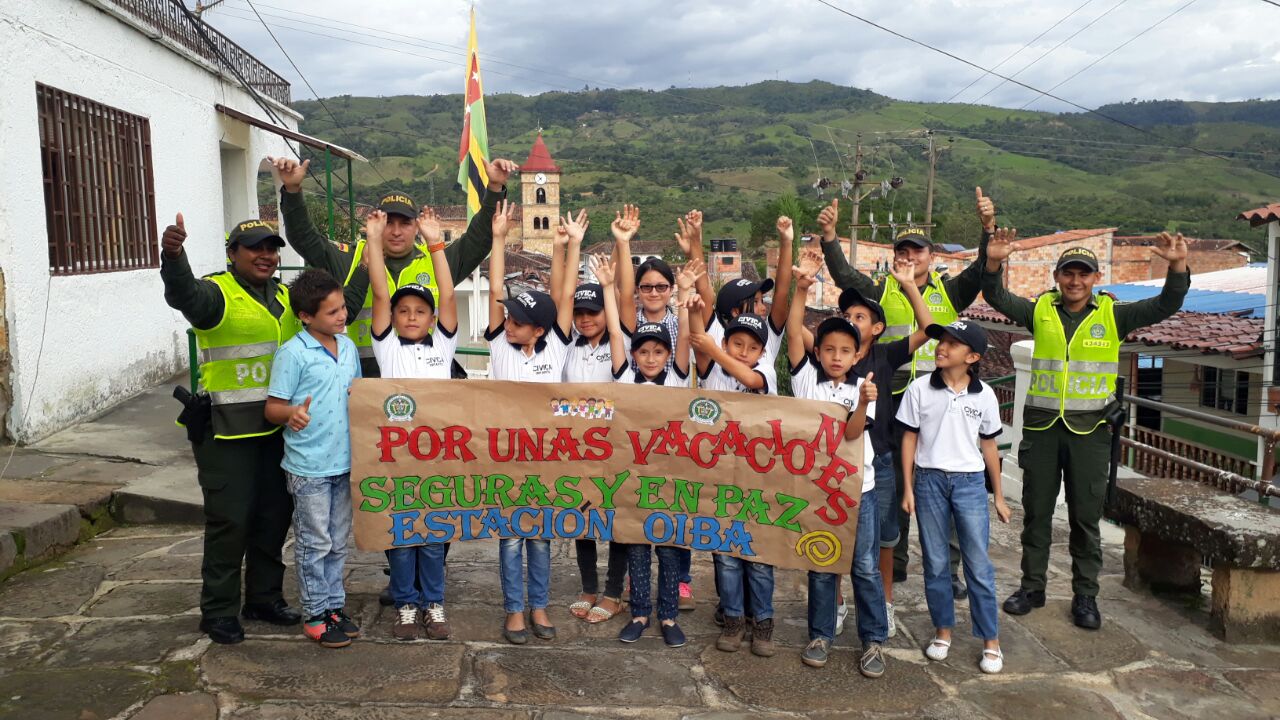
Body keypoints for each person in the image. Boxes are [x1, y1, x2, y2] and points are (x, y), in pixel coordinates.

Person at [982, 229, 1189, 629]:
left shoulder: (1114, 315)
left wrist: (1177, 267)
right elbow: (996, 297)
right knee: (1037, 514)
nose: (1075, 281)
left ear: (1095, 279)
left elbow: (1166, 304)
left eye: (1083, 274)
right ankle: (1032, 587)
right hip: (1043, 430)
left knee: (1085, 519)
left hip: (1091, 434)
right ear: (1057, 277)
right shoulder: (1039, 311)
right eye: (1068, 273)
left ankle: (1086, 597)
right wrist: (993, 263)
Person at [819, 190, 995, 594]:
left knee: (948, 475)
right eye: (904, 250)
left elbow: (983, 270)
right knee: (896, 484)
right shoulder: (881, 291)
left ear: (931, 257)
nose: (911, 257)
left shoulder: (950, 292)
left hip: (943, 397)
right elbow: (846, 277)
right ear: (896, 255)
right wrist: (830, 236)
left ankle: (950, 568)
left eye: (918, 251)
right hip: (894, 399)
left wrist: (988, 230)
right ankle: (893, 564)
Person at [160, 216, 303, 645]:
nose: (266, 256)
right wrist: (173, 257)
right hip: (227, 433)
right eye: (255, 247)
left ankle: (263, 597)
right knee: (230, 521)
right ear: (232, 253)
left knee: (274, 518)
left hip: (277, 431)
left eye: (272, 248)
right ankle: (218, 610)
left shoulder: (285, 297)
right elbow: (186, 296)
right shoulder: (217, 293)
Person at [794, 247, 938, 643]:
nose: (851, 321)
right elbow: (795, 332)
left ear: (875, 329)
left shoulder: (885, 355)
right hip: (831, 473)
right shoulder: (824, 367)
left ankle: (883, 608)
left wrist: (909, 287)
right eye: (847, 316)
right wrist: (801, 286)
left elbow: (929, 331)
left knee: (881, 544)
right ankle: (836, 607)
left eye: (860, 317)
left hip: (877, 465)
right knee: (830, 551)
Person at [270, 155, 518, 378]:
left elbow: (478, 239)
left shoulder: (438, 261)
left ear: (416, 226)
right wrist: (292, 191)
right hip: (361, 376)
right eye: (389, 222)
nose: (396, 231)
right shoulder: (350, 259)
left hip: (423, 374)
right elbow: (305, 238)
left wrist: (494, 188)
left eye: (405, 223)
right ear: (377, 223)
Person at [362, 206, 459, 642]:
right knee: (400, 535)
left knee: (433, 535)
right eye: (405, 311)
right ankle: (405, 604)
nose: (413, 316)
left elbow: (450, 295)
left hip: (437, 456)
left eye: (421, 310)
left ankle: (433, 602)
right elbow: (380, 293)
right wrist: (374, 240)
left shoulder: (444, 341)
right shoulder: (387, 349)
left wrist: (435, 243)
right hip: (395, 457)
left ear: (432, 318)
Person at [786, 263, 887, 677]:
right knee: (821, 565)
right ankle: (820, 634)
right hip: (818, 491)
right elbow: (793, 330)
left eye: (846, 350)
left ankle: (873, 639)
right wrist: (801, 289)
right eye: (829, 349)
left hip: (859, 489)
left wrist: (863, 402)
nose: (836, 356)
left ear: (858, 354)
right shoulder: (806, 383)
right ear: (818, 352)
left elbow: (852, 432)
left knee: (864, 565)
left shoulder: (863, 389)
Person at [593, 254, 698, 647]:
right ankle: (639, 612)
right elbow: (618, 334)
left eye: (658, 352)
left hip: (670, 478)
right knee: (636, 549)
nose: (651, 358)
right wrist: (608, 288)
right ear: (634, 355)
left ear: (668, 355)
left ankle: (669, 617)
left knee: (670, 551)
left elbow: (685, 336)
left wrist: (684, 295)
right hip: (634, 480)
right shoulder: (624, 376)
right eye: (644, 352)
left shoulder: (678, 376)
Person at [486, 201, 577, 643]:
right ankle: (513, 610)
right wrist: (499, 239)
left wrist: (568, 247)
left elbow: (563, 296)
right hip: (505, 456)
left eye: (518, 321)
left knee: (540, 538)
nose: (508, 323)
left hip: (547, 459)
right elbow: (492, 292)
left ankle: (539, 606)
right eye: (508, 317)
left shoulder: (556, 345)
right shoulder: (499, 344)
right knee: (509, 539)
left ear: (538, 330)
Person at [898, 320, 1010, 674]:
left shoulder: (985, 395)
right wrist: (908, 486)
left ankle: (990, 640)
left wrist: (1000, 496)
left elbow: (989, 445)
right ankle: (942, 631)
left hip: (970, 483)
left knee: (978, 562)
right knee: (935, 561)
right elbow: (910, 439)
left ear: (972, 356)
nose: (941, 347)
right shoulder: (919, 389)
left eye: (951, 343)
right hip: (929, 481)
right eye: (941, 341)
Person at [264, 269, 362, 649]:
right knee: (313, 542)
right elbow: (272, 408)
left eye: (342, 309)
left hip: (344, 462)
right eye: (333, 312)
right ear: (306, 317)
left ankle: (335, 606)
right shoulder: (293, 354)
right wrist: (291, 414)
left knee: (338, 542)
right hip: (309, 468)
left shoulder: (349, 345)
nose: (342, 316)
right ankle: (315, 613)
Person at [690, 289, 780, 655]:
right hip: (718, 473)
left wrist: (717, 350)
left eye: (752, 347)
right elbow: (699, 343)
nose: (744, 351)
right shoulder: (711, 364)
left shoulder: (764, 371)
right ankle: (732, 619)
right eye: (736, 343)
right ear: (726, 340)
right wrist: (697, 311)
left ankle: (763, 623)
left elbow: (751, 380)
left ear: (762, 353)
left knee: (758, 554)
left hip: (758, 478)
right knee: (725, 554)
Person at [562, 213, 628, 624]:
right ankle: (589, 585)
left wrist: (610, 286)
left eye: (594, 313)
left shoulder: (621, 342)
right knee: (581, 516)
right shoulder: (568, 346)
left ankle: (614, 592)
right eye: (580, 313)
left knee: (617, 521)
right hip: (575, 446)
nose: (586, 319)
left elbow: (623, 307)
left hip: (615, 445)